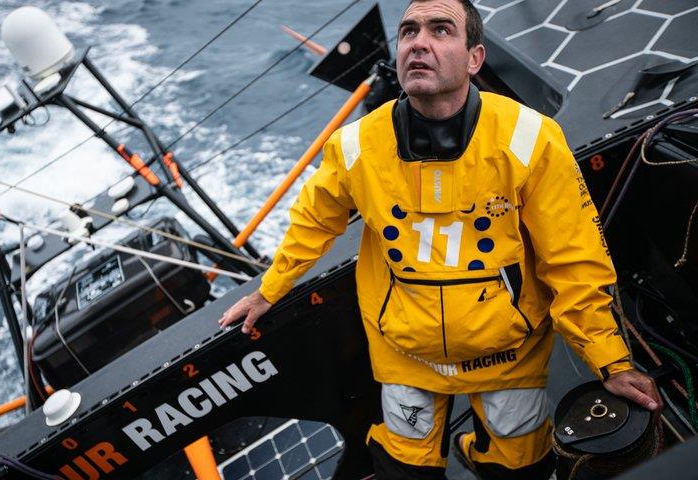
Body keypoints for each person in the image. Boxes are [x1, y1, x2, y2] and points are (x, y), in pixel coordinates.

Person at [220, 0, 662, 478]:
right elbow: (314, 220)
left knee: (521, 467)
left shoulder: (531, 139)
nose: (419, 43)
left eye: (440, 30)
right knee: (402, 469)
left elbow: (574, 259)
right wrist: (270, 289)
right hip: (407, 354)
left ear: (475, 58)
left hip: (508, 354)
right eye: (409, 31)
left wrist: (611, 362)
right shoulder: (355, 146)